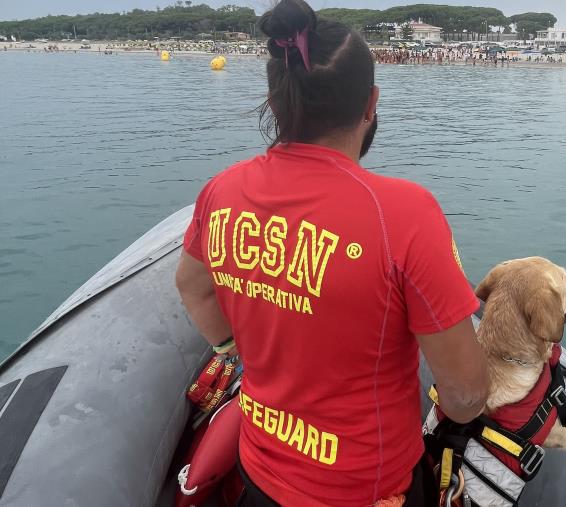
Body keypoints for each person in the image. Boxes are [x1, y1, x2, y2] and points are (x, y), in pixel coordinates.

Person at [174, 1, 490, 506]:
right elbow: (467, 395)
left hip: (257, 471)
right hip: (369, 489)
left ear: (275, 104)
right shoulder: (405, 213)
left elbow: (192, 287)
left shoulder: (220, 192)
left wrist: (241, 354)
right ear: (371, 104)